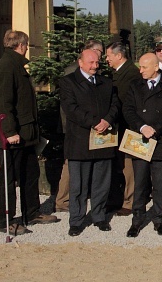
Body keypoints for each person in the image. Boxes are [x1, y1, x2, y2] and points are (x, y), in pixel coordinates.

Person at [0, 30, 59, 235]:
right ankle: (7, 220)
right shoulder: (6, 67)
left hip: (27, 133)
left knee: (31, 172)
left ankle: (31, 212)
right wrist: (9, 131)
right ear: (22, 45)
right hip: (13, 135)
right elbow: (2, 104)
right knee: (9, 177)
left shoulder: (16, 65)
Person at [59, 49, 120, 236]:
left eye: (97, 62)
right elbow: (71, 109)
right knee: (78, 184)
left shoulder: (107, 83)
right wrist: (94, 122)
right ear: (80, 62)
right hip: (80, 141)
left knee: (101, 182)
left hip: (103, 140)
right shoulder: (68, 82)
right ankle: (76, 220)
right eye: (91, 63)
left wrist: (107, 120)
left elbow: (115, 104)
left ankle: (99, 216)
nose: (95, 66)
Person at [122, 53, 162, 237]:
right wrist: (142, 127)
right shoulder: (135, 86)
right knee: (139, 183)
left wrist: (155, 128)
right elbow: (128, 109)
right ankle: (137, 219)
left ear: (156, 67)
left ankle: (159, 219)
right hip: (140, 140)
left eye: (144, 67)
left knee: (160, 184)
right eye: (140, 67)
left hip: (161, 140)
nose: (140, 71)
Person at [56, 39, 104, 213]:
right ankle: (64, 201)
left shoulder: (98, 74)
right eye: (98, 52)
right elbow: (70, 106)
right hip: (75, 128)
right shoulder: (72, 74)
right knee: (72, 168)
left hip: (96, 129)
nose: (100, 57)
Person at [105, 41, 141, 216]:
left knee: (129, 166)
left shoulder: (131, 74)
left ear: (119, 56)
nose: (106, 59)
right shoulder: (118, 72)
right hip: (119, 128)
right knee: (120, 165)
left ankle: (130, 201)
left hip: (128, 127)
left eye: (109, 56)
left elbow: (122, 101)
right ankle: (118, 198)